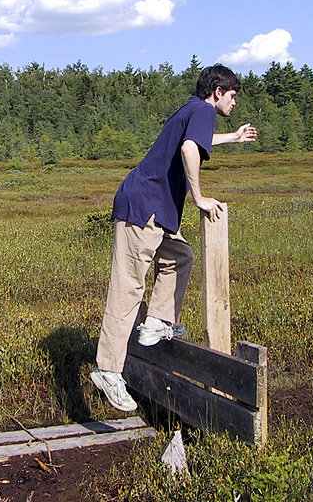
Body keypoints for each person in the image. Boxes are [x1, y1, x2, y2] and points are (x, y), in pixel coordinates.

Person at [91, 64, 258, 412]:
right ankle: (108, 369)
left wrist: (234, 137)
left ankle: (156, 322)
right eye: (232, 96)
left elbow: (196, 139)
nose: (235, 103)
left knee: (180, 257)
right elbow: (189, 149)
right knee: (128, 287)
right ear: (217, 93)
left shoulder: (191, 110)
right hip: (144, 207)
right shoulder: (203, 110)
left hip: (155, 210)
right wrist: (199, 197)